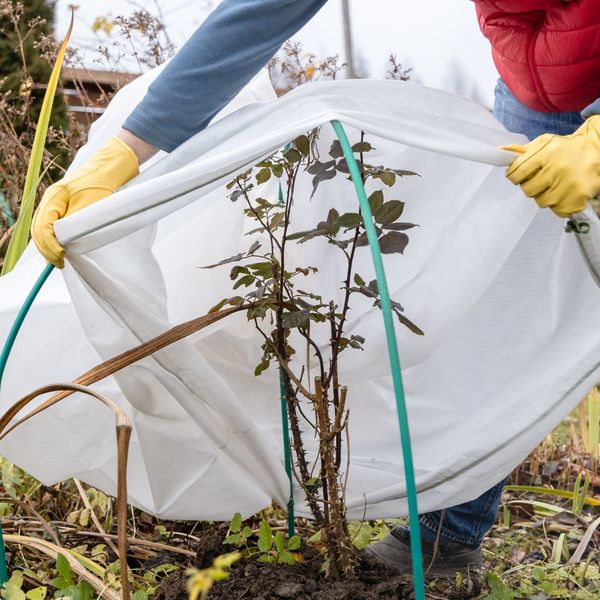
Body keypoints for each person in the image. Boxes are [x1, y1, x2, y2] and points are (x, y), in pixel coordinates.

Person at [30, 0, 600, 576]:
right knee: (496, 296)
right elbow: (263, 10)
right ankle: (447, 536)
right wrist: (128, 149)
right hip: (541, 87)